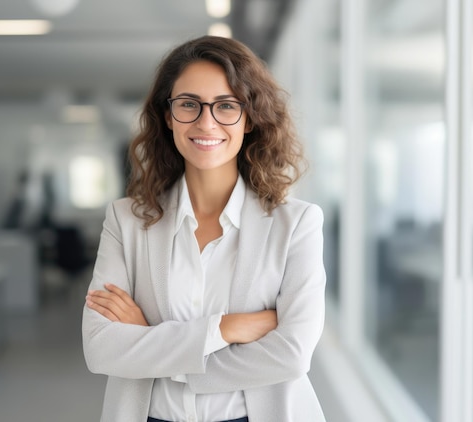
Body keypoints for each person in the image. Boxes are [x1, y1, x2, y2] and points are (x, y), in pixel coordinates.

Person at [82, 35, 327, 422]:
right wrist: (226, 328)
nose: (205, 121)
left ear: (250, 118)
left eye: (226, 105)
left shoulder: (296, 224)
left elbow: (291, 354)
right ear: (168, 116)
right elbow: (100, 348)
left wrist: (151, 345)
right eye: (189, 105)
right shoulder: (125, 220)